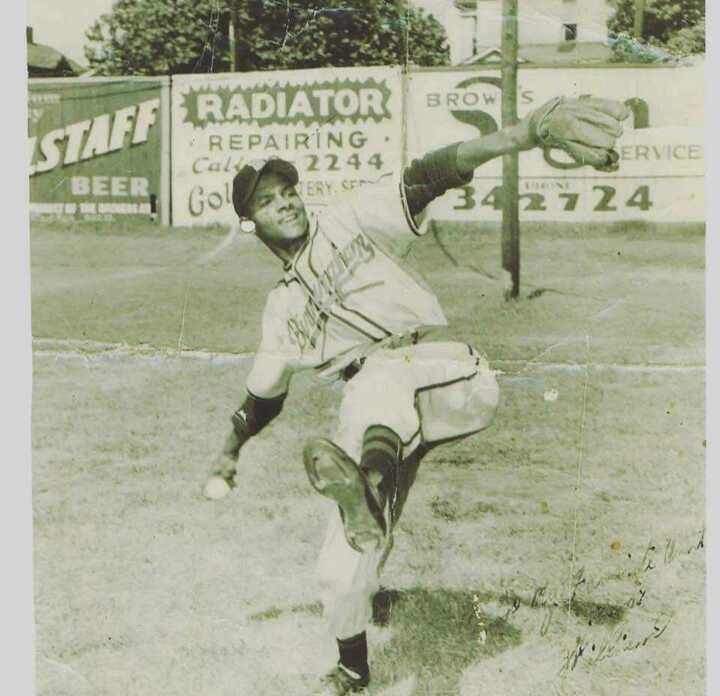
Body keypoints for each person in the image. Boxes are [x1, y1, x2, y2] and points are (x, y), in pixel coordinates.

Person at [203, 96, 629, 695]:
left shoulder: (351, 219)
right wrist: (229, 451)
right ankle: (353, 665)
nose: (286, 202)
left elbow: (430, 172)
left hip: (446, 372)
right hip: (381, 414)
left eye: (288, 190)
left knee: (378, 379)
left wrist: (526, 134)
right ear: (252, 224)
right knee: (339, 563)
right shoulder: (281, 311)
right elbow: (263, 399)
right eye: (267, 201)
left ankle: (371, 486)